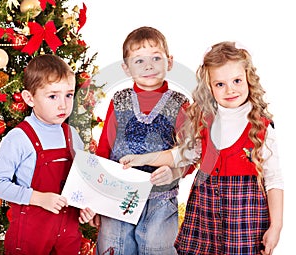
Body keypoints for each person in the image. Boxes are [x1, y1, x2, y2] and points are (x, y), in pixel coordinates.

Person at [120, 41, 284, 255]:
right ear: (209, 87)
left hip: (244, 215)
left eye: (236, 81)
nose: (230, 89)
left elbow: (274, 180)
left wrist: (276, 226)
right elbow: (180, 156)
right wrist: (142, 159)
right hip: (204, 213)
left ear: (248, 80)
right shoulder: (206, 122)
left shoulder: (261, 127)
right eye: (220, 84)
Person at [91, 26, 190, 255]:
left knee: (157, 250)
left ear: (170, 62)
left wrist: (175, 172)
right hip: (117, 197)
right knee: (115, 248)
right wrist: (96, 199)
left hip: (160, 201)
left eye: (156, 58)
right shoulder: (119, 101)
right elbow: (105, 151)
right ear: (126, 68)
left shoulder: (180, 104)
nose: (148, 66)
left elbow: (190, 154)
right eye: (139, 61)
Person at [0, 54, 95, 255]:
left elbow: (81, 180)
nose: (63, 105)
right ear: (29, 98)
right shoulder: (18, 138)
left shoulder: (71, 135)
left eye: (68, 95)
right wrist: (38, 198)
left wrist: (85, 206)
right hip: (30, 236)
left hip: (68, 233)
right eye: (52, 96)